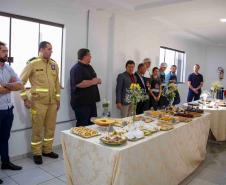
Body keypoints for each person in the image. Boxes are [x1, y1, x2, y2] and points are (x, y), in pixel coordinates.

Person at [20, 41, 61, 165]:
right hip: (38, 103)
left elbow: (56, 84)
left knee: (50, 128)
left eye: (51, 49)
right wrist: (25, 99)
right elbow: (20, 81)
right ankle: (37, 153)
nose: (51, 51)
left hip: (52, 103)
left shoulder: (54, 64)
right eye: (49, 49)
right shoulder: (32, 63)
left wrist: (58, 99)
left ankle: (47, 150)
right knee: (37, 129)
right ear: (41, 49)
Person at [0, 41, 23, 178]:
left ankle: (6, 162)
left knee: (5, 138)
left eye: (6, 51)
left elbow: (20, 85)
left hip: (8, 109)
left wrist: (5, 86)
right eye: (3, 51)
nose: (6, 54)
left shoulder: (8, 68)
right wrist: (9, 86)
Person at [70, 49, 101, 126]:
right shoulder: (76, 69)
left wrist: (95, 81)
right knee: (83, 126)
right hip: (82, 104)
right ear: (85, 56)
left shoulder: (89, 67)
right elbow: (79, 84)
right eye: (89, 55)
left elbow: (94, 79)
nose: (91, 57)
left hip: (91, 102)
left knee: (93, 125)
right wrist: (94, 81)